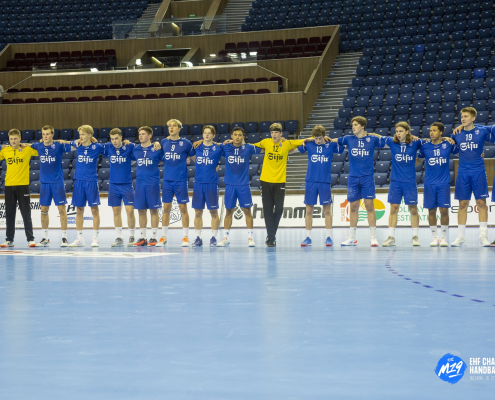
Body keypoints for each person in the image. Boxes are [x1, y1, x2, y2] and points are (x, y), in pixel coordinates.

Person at [251, 123, 313, 247]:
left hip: (280, 181)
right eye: (272, 133)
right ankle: (271, 238)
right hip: (265, 181)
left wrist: (317, 137)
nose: (273, 135)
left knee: (279, 209)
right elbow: (249, 146)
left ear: (281, 134)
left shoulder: (287, 143)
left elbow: (304, 140)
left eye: (276, 132)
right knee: (268, 210)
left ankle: (271, 235)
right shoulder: (266, 142)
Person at [368, 122, 426, 246]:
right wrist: (365, 133)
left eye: (401, 131)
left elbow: (432, 142)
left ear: (407, 131)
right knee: (393, 209)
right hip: (395, 182)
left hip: (409, 182)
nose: (398, 133)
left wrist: (445, 138)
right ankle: (391, 237)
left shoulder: (416, 142)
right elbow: (377, 136)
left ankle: (415, 237)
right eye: (397, 131)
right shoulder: (392, 142)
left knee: (413, 209)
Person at [330, 117, 381, 247]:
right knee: (353, 207)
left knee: (369, 206)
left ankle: (373, 237)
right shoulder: (348, 139)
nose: (353, 127)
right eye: (352, 125)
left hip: (367, 177)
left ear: (363, 126)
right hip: (353, 177)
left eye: (356, 124)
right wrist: (318, 138)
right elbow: (332, 140)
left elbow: (389, 140)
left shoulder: (372, 139)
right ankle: (352, 237)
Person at [103, 128, 159, 247]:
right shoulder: (108, 146)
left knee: (130, 211)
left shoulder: (130, 146)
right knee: (116, 212)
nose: (114, 141)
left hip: (127, 184)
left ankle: (132, 236)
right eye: (112, 139)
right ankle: (119, 237)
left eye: (116, 138)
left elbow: (146, 147)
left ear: (121, 137)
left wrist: (156, 142)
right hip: (113, 184)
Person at [293, 125, 344, 247]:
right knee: (309, 210)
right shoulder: (309, 144)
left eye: (320, 138)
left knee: (327, 210)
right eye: (315, 138)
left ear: (324, 136)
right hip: (310, 181)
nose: (318, 140)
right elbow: (294, 149)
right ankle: (308, 237)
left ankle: (328, 237)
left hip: (324, 181)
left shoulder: (330, 145)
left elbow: (344, 147)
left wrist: (333, 139)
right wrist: (305, 139)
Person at [450, 107, 495, 246]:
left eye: (466, 116)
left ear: (473, 118)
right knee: (462, 204)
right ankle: (461, 237)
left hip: (478, 171)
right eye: (462, 116)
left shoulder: (482, 131)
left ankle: (483, 236)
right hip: (463, 172)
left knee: (481, 203)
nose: (463, 119)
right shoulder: (456, 133)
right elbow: (454, 149)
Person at [217, 127, 263, 247]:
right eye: (235, 135)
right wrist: (200, 141)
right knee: (228, 211)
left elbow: (265, 148)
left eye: (239, 135)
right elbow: (211, 145)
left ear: (243, 137)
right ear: (231, 136)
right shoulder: (226, 147)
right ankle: (225, 238)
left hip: (243, 185)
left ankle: (250, 238)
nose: (237, 137)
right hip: (230, 185)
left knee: (247, 211)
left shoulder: (248, 148)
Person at [417, 122, 459, 247]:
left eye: (434, 130)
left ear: (441, 132)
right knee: (431, 210)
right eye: (430, 130)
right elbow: (418, 161)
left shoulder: (448, 144)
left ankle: (444, 237)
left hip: (444, 182)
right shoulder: (425, 147)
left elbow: (461, 153)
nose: (431, 132)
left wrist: (478, 155)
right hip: (429, 183)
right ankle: (434, 237)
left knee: (444, 210)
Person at [29, 125, 72, 247]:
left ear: (52, 134)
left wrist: (63, 141)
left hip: (57, 183)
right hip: (44, 183)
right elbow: (24, 145)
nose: (45, 136)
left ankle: (64, 238)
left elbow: (76, 145)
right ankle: (45, 238)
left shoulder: (58, 145)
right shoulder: (38, 146)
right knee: (43, 210)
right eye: (43, 134)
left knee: (62, 209)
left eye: (47, 134)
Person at [156, 119, 194, 247]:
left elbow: (195, 157)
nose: (171, 128)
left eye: (174, 126)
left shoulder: (186, 143)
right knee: (166, 208)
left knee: (183, 208)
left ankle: (185, 237)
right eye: (169, 126)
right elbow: (160, 158)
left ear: (179, 128)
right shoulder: (164, 142)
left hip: (181, 180)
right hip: (167, 180)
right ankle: (163, 236)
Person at [67, 125, 104, 247]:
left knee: (94, 210)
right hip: (79, 181)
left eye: (83, 134)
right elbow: (62, 142)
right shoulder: (77, 144)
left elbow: (112, 148)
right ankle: (80, 238)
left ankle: (95, 239)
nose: (80, 136)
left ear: (90, 135)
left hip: (91, 181)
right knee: (79, 210)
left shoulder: (97, 147)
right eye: (79, 134)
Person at [0, 129, 38, 247]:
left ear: (20, 138)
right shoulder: (5, 151)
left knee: (26, 213)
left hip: (23, 186)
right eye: (11, 139)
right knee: (10, 214)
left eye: (15, 138)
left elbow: (42, 148)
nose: (13, 141)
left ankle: (30, 239)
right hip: (9, 186)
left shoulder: (27, 150)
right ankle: (9, 240)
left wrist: (28, 145)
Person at [190, 125, 224, 247]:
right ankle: (198, 238)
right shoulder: (197, 147)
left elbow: (230, 149)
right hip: (198, 183)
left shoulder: (218, 148)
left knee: (213, 211)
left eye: (209, 133)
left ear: (213, 135)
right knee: (198, 212)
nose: (207, 135)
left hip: (212, 183)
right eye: (205, 133)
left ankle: (213, 238)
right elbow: (191, 156)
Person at [132, 126, 163, 246]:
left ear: (149, 136)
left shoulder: (157, 148)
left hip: (152, 183)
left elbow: (162, 160)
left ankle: (153, 237)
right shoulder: (135, 149)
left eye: (143, 134)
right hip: (140, 184)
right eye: (139, 134)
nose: (140, 136)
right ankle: (143, 237)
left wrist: (157, 143)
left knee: (154, 210)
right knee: (141, 211)